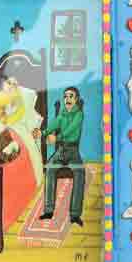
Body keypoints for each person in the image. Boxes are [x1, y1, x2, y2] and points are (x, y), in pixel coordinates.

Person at [34, 87, 85, 226]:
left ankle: (75, 214)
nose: (67, 99)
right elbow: (52, 126)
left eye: (70, 96)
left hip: (73, 151)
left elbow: (70, 131)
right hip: (61, 151)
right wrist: (42, 133)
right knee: (50, 169)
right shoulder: (62, 115)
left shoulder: (79, 115)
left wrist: (56, 138)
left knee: (79, 172)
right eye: (65, 96)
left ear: (76, 99)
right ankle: (48, 210)